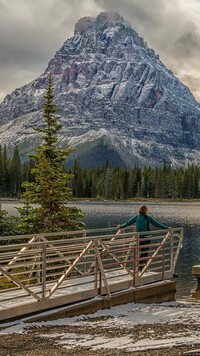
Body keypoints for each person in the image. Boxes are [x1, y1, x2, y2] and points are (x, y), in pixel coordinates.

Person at [118, 205, 172, 269]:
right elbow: (156, 224)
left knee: (141, 252)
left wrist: (121, 226)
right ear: (145, 211)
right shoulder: (147, 217)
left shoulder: (136, 217)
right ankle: (141, 268)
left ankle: (140, 268)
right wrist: (167, 228)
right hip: (147, 237)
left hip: (139, 238)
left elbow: (128, 223)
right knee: (145, 253)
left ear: (139, 210)